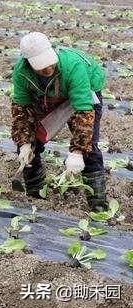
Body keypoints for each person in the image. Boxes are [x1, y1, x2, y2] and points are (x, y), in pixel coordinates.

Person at [11, 32, 106, 211]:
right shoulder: (22, 74)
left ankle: (98, 206)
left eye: (49, 62)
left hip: (85, 93)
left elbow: (84, 111)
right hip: (45, 95)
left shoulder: (72, 66)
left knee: (89, 148)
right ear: (28, 63)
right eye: (41, 66)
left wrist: (77, 151)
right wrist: (24, 143)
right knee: (30, 143)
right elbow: (21, 110)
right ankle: (35, 193)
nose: (48, 69)